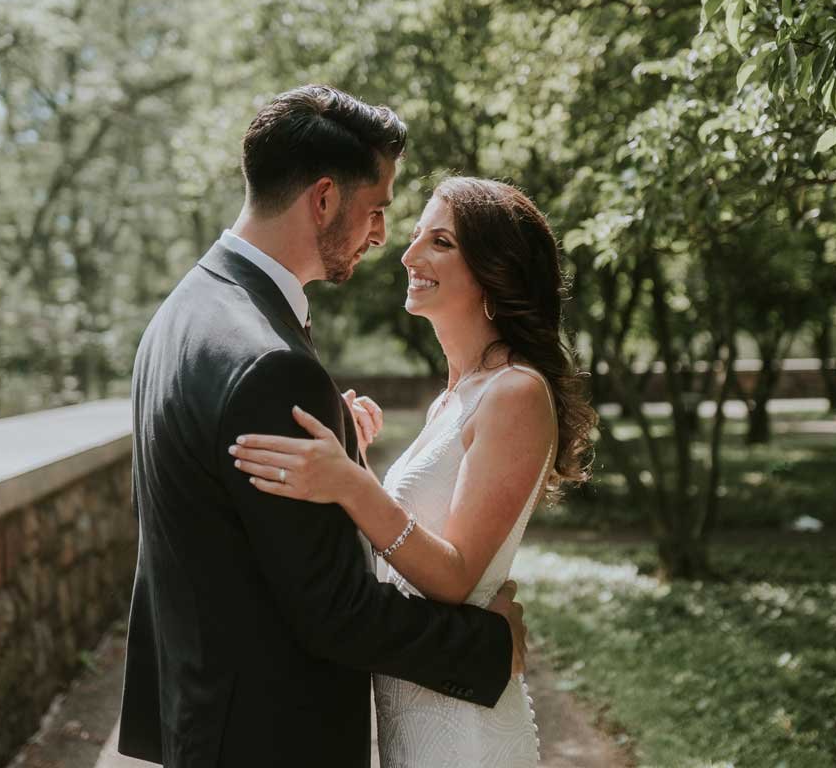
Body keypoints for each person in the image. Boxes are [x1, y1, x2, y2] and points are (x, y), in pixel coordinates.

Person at [116, 86, 527, 768]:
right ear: (326, 199)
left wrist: (343, 453)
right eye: (378, 210)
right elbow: (334, 611)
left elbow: (225, 528)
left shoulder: (185, 313)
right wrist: (489, 645)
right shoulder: (270, 363)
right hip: (271, 739)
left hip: (205, 720)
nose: (383, 237)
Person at [231, 176, 597, 768]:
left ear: (494, 271)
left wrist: (350, 483)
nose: (408, 254)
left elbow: (452, 578)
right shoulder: (454, 398)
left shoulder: (515, 394)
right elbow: (408, 541)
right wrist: (354, 456)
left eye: (441, 242)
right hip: (416, 710)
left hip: (466, 731)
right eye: (416, 235)